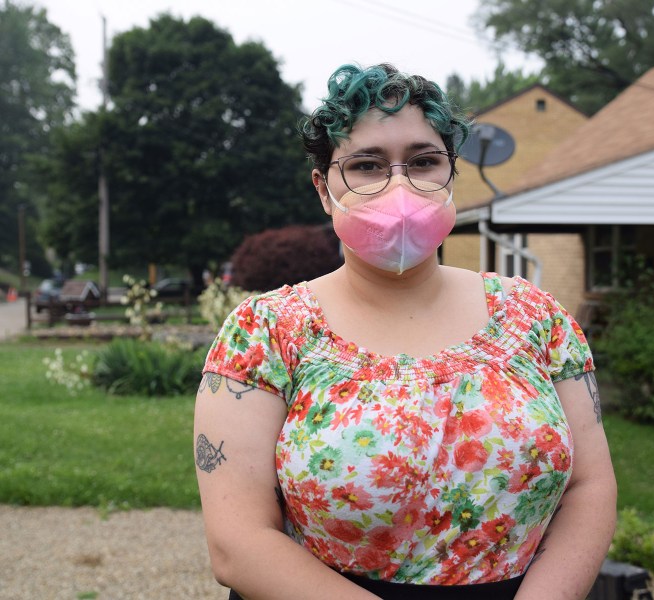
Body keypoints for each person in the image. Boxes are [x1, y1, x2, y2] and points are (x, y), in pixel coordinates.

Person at [195, 63, 616, 600]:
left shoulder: (537, 319)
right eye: (367, 165)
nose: (399, 184)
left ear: (450, 174)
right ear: (324, 190)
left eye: (423, 161)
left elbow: (590, 487)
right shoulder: (265, 334)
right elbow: (237, 542)